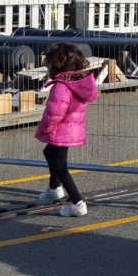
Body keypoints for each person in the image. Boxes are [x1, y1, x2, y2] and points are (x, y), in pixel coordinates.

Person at [34, 42, 99, 217]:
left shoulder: (62, 87)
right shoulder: (78, 82)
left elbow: (54, 112)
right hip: (71, 128)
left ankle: (77, 203)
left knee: (60, 165)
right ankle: (54, 187)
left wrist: (45, 128)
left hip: (61, 129)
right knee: (50, 153)